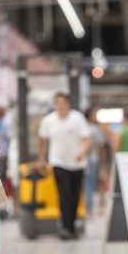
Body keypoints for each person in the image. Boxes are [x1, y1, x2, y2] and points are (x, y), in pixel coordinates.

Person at [37, 93, 90, 239]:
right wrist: (42, 158)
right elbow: (42, 139)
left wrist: (82, 152)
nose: (60, 105)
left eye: (63, 102)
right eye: (57, 103)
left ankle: (72, 226)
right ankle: (65, 227)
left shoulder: (77, 118)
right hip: (58, 162)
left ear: (68, 103)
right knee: (64, 195)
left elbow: (86, 139)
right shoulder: (49, 120)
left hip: (78, 164)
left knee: (75, 196)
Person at [83, 108, 107, 215]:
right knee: (90, 184)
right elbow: (101, 147)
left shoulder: (81, 128)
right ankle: (88, 207)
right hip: (92, 160)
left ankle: (86, 206)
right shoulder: (95, 130)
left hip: (80, 160)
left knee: (84, 184)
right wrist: (103, 162)